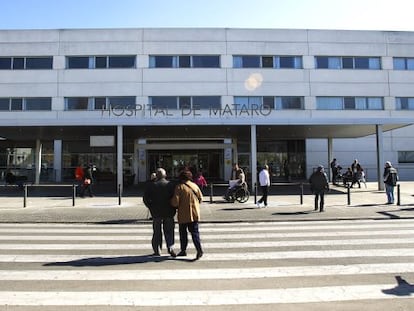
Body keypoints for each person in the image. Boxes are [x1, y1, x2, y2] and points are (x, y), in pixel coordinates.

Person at [143, 168, 177, 257]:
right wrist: (174, 207)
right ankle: (170, 247)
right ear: (165, 175)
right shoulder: (171, 185)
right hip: (169, 212)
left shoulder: (151, 185)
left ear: (156, 176)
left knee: (157, 231)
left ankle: (157, 250)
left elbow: (145, 199)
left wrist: (150, 207)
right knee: (169, 231)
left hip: (156, 212)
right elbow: (175, 198)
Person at [170, 169, 204, 260]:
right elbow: (201, 198)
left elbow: (175, 202)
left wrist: (171, 203)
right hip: (194, 213)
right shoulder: (194, 186)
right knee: (195, 233)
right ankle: (199, 249)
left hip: (183, 214)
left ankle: (183, 250)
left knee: (183, 233)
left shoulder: (179, 187)